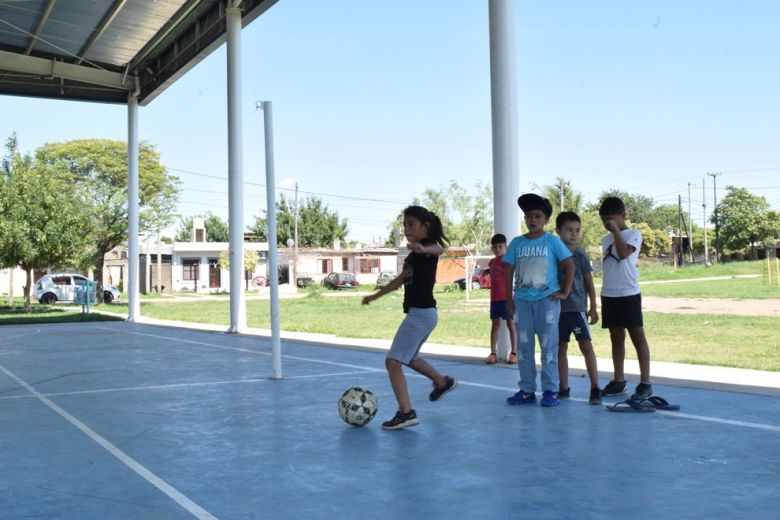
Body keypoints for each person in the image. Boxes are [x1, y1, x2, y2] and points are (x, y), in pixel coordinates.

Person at [362, 205, 457, 430]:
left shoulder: (427, 249)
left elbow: (438, 250)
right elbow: (398, 281)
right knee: (410, 357)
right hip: (423, 314)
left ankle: (406, 413)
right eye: (404, 225)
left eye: (411, 224)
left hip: (422, 314)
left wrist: (422, 249)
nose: (406, 229)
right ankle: (442, 382)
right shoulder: (413, 257)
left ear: (426, 226)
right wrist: (374, 296)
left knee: (393, 362)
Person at [504, 194, 575, 407]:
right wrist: (509, 298)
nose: (532, 220)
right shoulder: (517, 243)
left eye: (537, 216)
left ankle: (550, 391)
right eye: (528, 216)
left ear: (545, 220)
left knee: (548, 347)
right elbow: (508, 271)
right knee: (524, 348)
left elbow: (570, 265)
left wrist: (564, 292)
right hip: (523, 303)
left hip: (547, 301)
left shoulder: (552, 241)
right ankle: (526, 390)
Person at [598, 196, 653, 400]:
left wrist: (615, 231)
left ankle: (646, 382)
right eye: (604, 220)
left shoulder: (634, 234)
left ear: (623, 216)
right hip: (609, 294)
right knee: (616, 337)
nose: (607, 223)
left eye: (611, 219)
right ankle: (619, 380)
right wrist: (611, 232)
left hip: (628, 294)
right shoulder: (605, 239)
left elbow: (622, 254)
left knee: (637, 337)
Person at [554, 212, 601, 405]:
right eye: (569, 230)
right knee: (560, 349)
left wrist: (593, 307)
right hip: (557, 309)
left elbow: (589, 282)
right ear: (558, 231)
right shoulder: (553, 253)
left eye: (577, 230)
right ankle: (563, 387)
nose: (573, 234)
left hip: (577, 309)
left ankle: (595, 387)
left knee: (586, 346)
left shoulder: (580, 254)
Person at [485, 233, 518, 365]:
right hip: (495, 299)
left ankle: (514, 353)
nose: (498, 249)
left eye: (500, 246)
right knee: (495, 324)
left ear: (505, 246)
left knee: (511, 324)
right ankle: (493, 353)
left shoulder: (508, 261)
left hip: (507, 298)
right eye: (495, 247)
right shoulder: (491, 262)